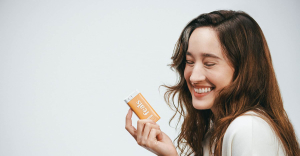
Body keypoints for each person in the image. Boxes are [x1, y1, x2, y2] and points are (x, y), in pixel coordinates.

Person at [125, 10, 300, 156]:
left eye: (209, 63)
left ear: (243, 69)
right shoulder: (214, 133)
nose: (193, 77)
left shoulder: (248, 129)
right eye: (190, 62)